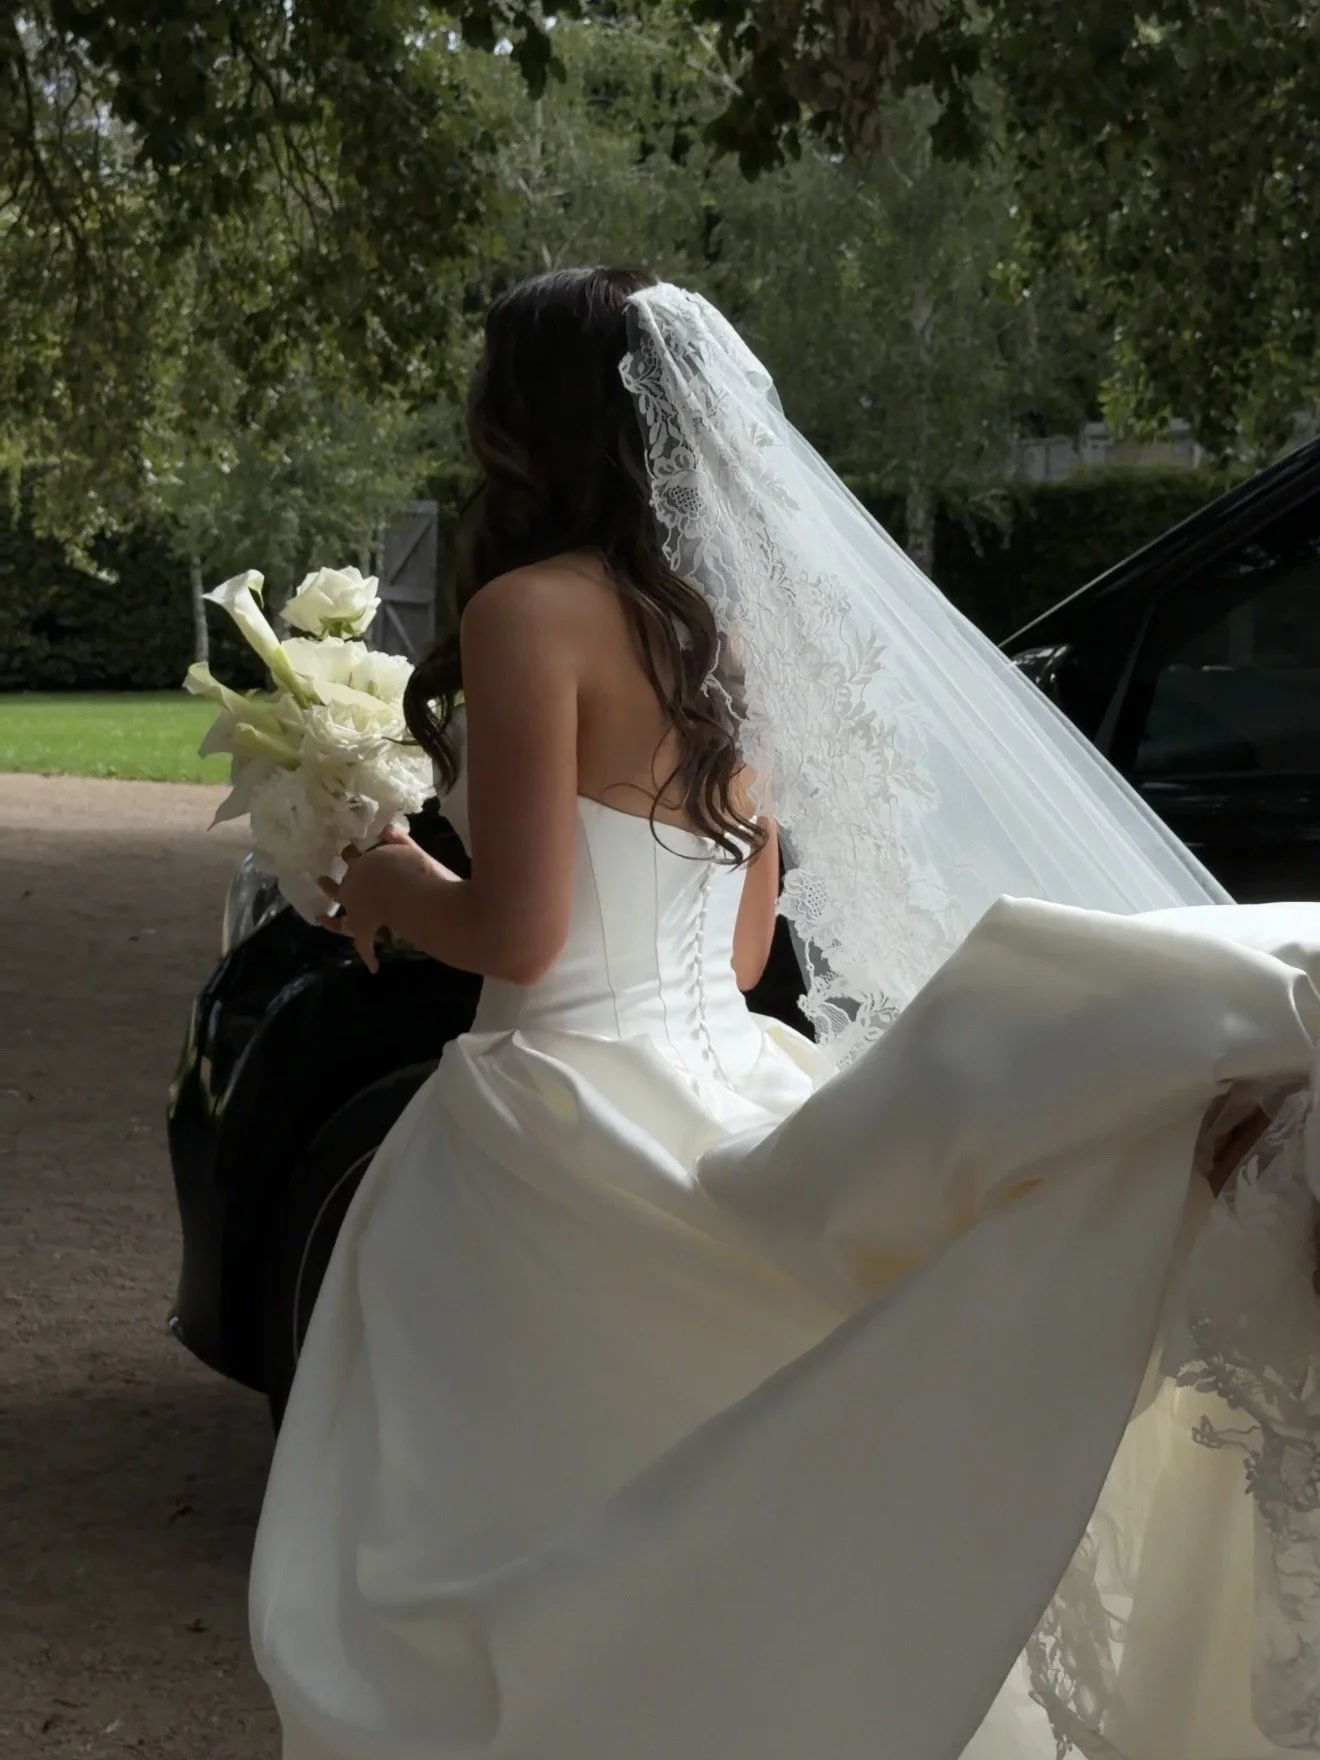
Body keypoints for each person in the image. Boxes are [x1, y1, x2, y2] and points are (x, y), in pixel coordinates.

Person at [249, 266, 1320, 1760]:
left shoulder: (526, 614)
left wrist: (381, 872)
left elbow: (520, 931)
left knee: (512, 1516)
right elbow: (749, 941)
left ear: (527, 420)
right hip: (719, 1066)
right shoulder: (727, 640)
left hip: (549, 1103)